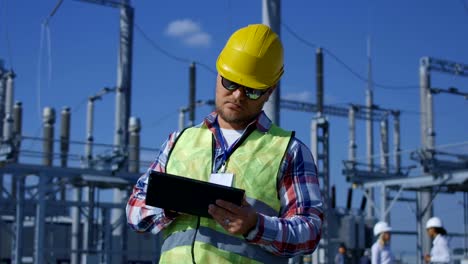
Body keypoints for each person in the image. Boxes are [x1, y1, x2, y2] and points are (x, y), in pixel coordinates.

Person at [126, 24, 323, 263]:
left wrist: (255, 225)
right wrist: (168, 206)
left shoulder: (288, 151)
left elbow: (310, 232)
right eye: (230, 83)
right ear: (218, 74)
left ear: (269, 92)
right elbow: (134, 210)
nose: (238, 95)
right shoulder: (178, 142)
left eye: (251, 90)